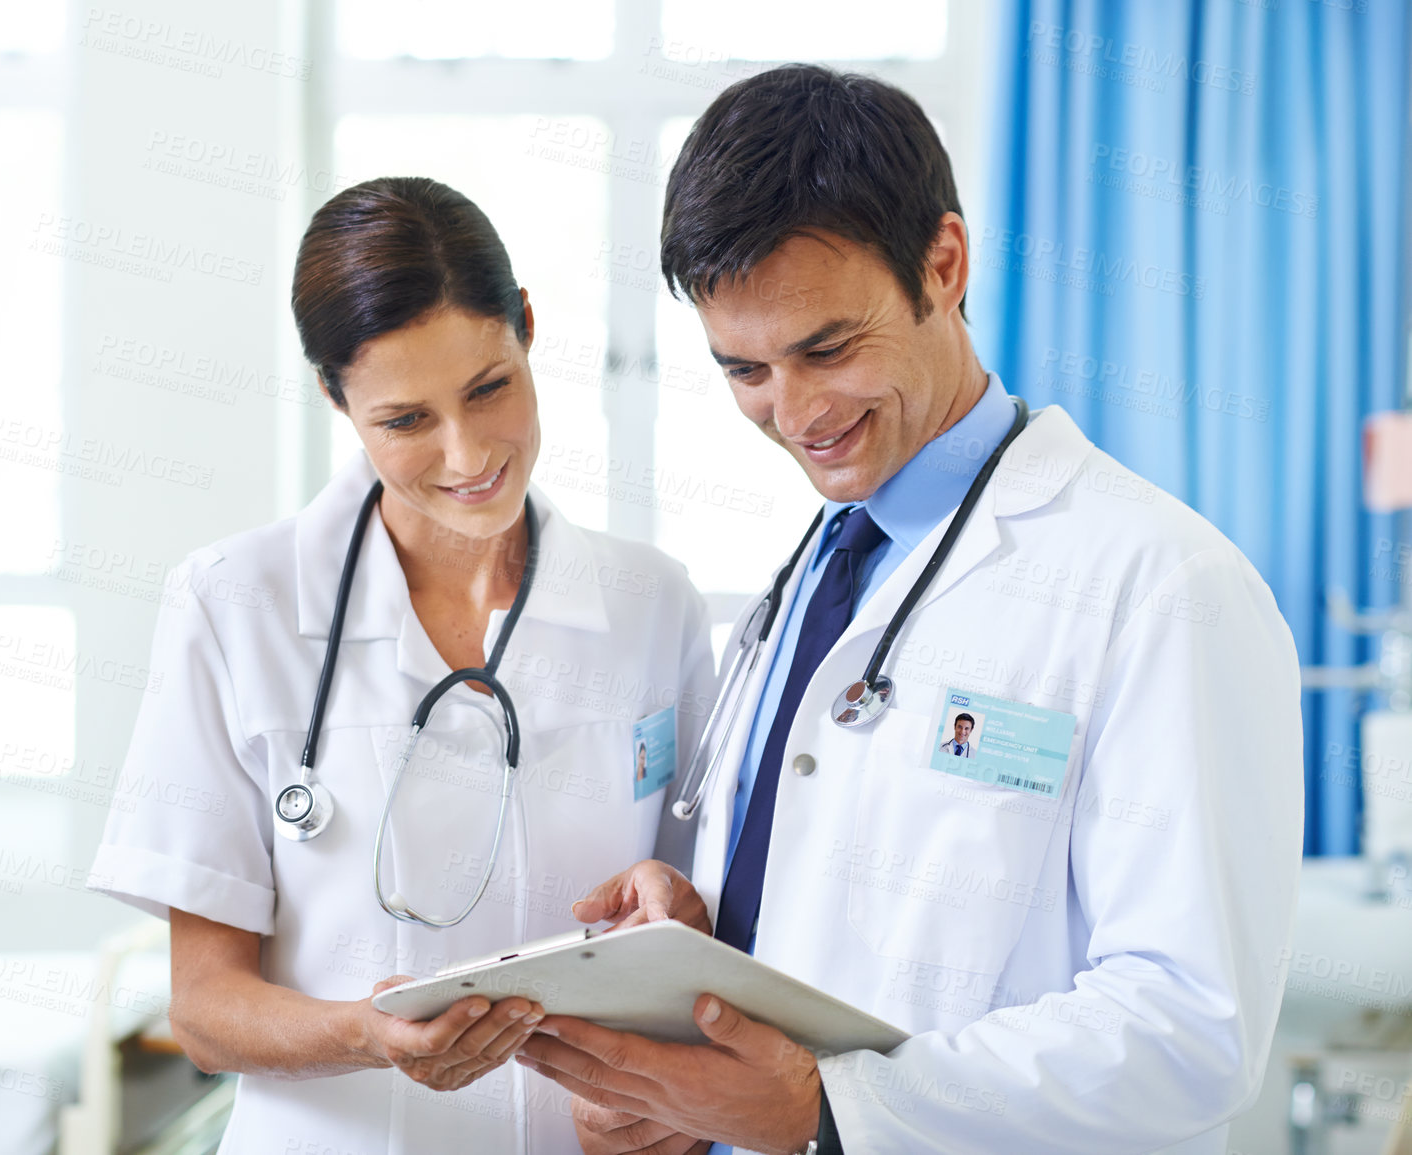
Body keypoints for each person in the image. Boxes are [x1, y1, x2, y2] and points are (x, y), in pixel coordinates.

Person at [517, 67, 1302, 1155]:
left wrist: (831, 1110)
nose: (796, 415)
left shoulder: (1165, 586)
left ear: (943, 263)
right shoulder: (813, 577)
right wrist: (695, 943)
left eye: (828, 350)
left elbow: (1188, 1029)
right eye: (744, 370)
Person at [89, 176, 714, 1154]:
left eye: (488, 389)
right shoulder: (232, 604)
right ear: (338, 398)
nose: (468, 456)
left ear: (529, 331)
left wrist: (677, 925)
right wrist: (366, 1036)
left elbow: (704, 921)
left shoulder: (651, 604)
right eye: (405, 421)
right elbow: (207, 1008)